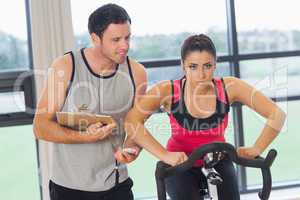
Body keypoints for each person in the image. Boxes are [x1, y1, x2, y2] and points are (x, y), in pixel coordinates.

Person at [123, 34, 286, 200]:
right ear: (183, 66)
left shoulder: (230, 87)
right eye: (193, 66)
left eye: (207, 66)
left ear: (215, 64)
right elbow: (132, 121)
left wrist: (257, 148)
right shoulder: (168, 90)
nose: (201, 75)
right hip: (179, 163)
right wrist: (165, 155)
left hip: (218, 160)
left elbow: (277, 114)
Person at [33, 3, 147, 200]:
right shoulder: (66, 66)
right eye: (116, 40)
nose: (125, 46)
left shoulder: (136, 73)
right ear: (95, 38)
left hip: (117, 184)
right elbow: (40, 127)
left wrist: (132, 148)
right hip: (69, 188)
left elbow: (136, 128)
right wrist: (85, 137)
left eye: (127, 37)